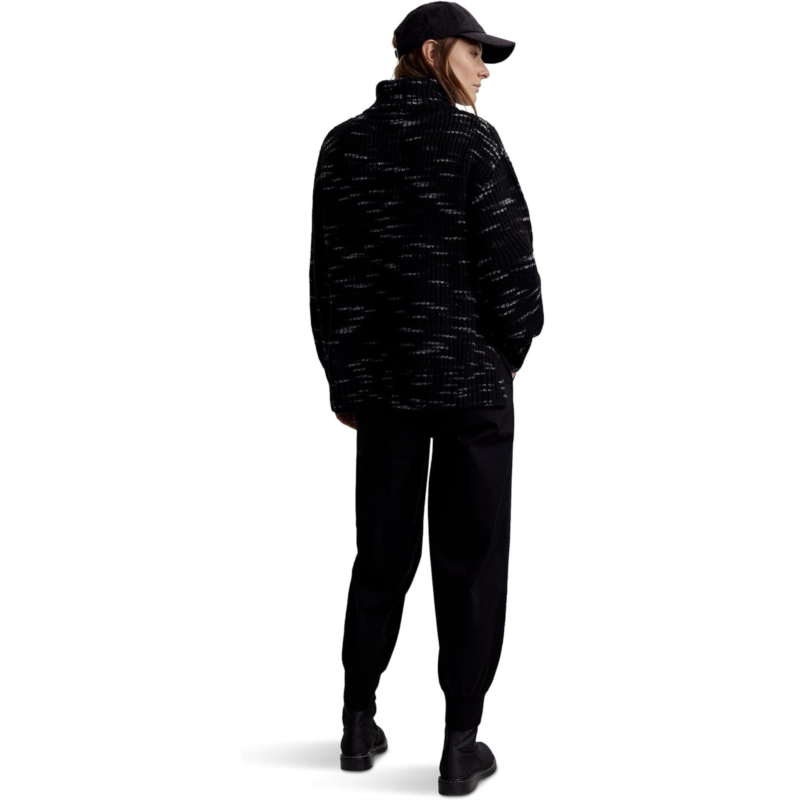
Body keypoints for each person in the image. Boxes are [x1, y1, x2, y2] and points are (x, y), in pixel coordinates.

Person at [308, 2, 545, 794]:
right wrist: (508, 351)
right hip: (471, 386)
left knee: (381, 555)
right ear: (434, 50)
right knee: (471, 561)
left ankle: (356, 721)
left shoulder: (343, 146)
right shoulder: (471, 142)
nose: (485, 72)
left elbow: (328, 278)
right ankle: (459, 745)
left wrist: (346, 378)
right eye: (477, 55)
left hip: (384, 390)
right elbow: (511, 265)